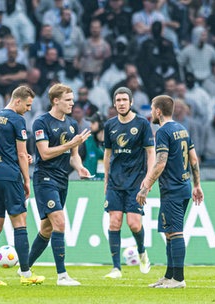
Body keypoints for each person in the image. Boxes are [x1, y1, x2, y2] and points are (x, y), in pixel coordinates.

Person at [136, 95, 204, 289]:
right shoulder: (182, 129)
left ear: (158, 111)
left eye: (151, 109)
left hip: (173, 189)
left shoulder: (164, 132)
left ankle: (179, 279)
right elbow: (193, 159)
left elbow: (160, 162)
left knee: (175, 233)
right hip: (184, 186)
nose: (150, 113)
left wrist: (146, 186)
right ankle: (169, 276)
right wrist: (197, 185)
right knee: (169, 232)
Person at [28, 83, 91, 286]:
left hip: (62, 179)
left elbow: (73, 156)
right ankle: (62, 275)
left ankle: (24, 268)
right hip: (45, 179)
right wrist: (70, 144)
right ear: (55, 100)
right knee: (60, 223)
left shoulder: (72, 124)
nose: (72, 103)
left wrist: (80, 167)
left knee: (47, 229)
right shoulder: (41, 122)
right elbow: (44, 153)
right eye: (68, 100)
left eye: (72, 100)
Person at [0, 85, 44, 286]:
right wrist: (27, 179)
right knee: (20, 223)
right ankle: (26, 274)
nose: (28, 109)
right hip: (10, 176)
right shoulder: (17, 120)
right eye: (27, 105)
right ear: (17, 100)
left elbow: (1, 147)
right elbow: (20, 153)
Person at [102, 87, 155, 279]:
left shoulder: (142, 123)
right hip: (116, 181)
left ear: (131, 102)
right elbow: (108, 154)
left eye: (125, 100)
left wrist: (148, 181)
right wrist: (106, 180)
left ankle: (142, 252)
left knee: (133, 224)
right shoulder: (109, 125)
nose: (122, 103)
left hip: (136, 182)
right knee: (114, 222)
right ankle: (116, 268)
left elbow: (151, 152)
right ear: (114, 103)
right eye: (118, 100)